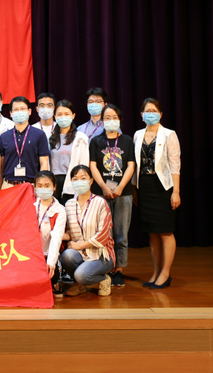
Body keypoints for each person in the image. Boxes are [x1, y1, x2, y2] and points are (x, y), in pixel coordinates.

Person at [133, 98, 181, 290]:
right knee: (152, 233)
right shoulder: (137, 135)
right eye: (147, 111)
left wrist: (176, 191)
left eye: (154, 111)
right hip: (144, 187)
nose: (150, 114)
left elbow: (175, 164)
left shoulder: (169, 134)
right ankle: (155, 272)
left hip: (163, 187)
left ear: (160, 114)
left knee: (165, 232)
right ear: (141, 114)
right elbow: (135, 164)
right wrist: (134, 189)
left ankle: (165, 273)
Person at [89, 104, 136, 288]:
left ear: (120, 120)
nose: (111, 121)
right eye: (107, 118)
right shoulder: (96, 141)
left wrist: (121, 187)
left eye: (114, 117)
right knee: (104, 233)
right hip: (101, 193)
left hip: (123, 194)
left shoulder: (127, 140)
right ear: (102, 121)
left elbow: (131, 165)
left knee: (121, 234)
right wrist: (103, 186)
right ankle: (106, 266)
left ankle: (119, 270)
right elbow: (93, 165)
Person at [60, 165, 115, 297]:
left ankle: (103, 279)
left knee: (81, 275)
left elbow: (103, 235)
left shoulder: (101, 203)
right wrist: (59, 235)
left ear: (91, 181)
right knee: (66, 256)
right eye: (75, 179)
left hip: (101, 254)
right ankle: (80, 285)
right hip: (81, 253)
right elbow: (71, 231)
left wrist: (79, 246)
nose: (79, 182)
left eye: (83, 178)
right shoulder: (68, 205)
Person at [0, 96, 50, 189]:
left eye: (22, 109)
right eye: (16, 109)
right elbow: (1, 165)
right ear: (11, 113)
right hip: (8, 185)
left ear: (29, 111)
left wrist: (41, 185)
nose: (19, 112)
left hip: (31, 185)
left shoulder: (39, 134)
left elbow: (44, 163)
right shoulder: (4, 136)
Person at [34, 170, 68, 298]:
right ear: (35, 188)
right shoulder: (30, 206)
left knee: (50, 283)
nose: (43, 189)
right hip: (32, 255)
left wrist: (51, 262)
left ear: (54, 187)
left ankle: (56, 277)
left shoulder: (60, 210)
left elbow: (57, 238)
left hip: (48, 255)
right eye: (40, 185)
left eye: (47, 185)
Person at [49, 100, 89, 203]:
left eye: (67, 114)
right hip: (53, 182)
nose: (63, 117)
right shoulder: (50, 138)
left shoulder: (80, 138)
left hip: (72, 181)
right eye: (59, 114)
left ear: (73, 116)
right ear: (54, 116)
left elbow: (84, 163)